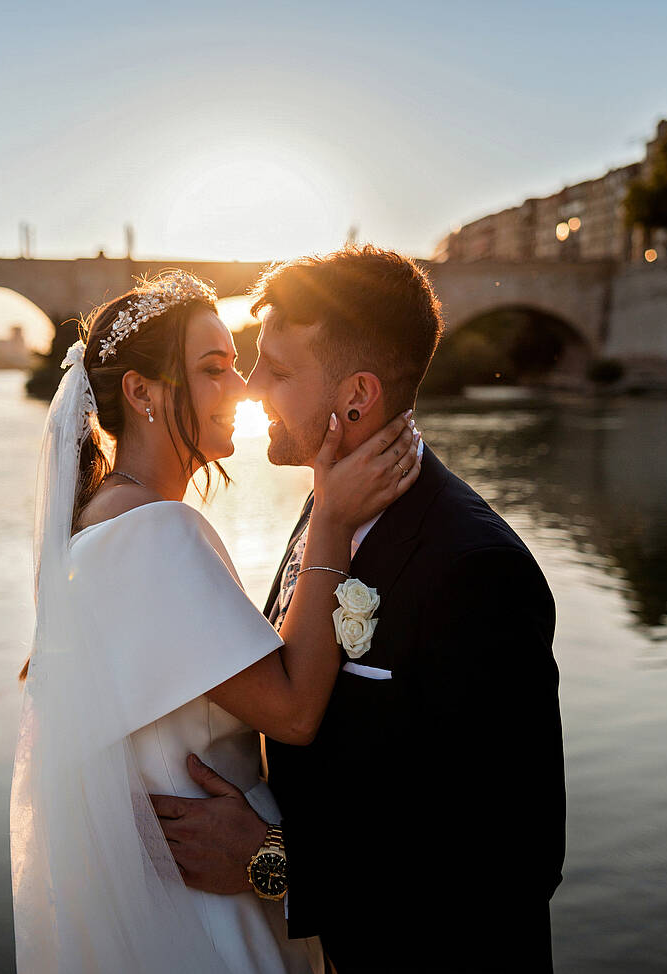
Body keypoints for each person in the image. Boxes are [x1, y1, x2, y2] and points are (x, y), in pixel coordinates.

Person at [149, 245, 567, 972]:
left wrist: (272, 864)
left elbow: (514, 860)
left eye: (276, 371)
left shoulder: (476, 570)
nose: (249, 390)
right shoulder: (329, 503)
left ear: (357, 397)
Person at [10, 269, 423, 973]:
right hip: (209, 908)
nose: (242, 389)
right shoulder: (154, 533)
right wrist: (332, 519)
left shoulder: (100, 520)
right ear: (140, 393)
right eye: (212, 370)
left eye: (235, 366)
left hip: (167, 897)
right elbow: (292, 713)